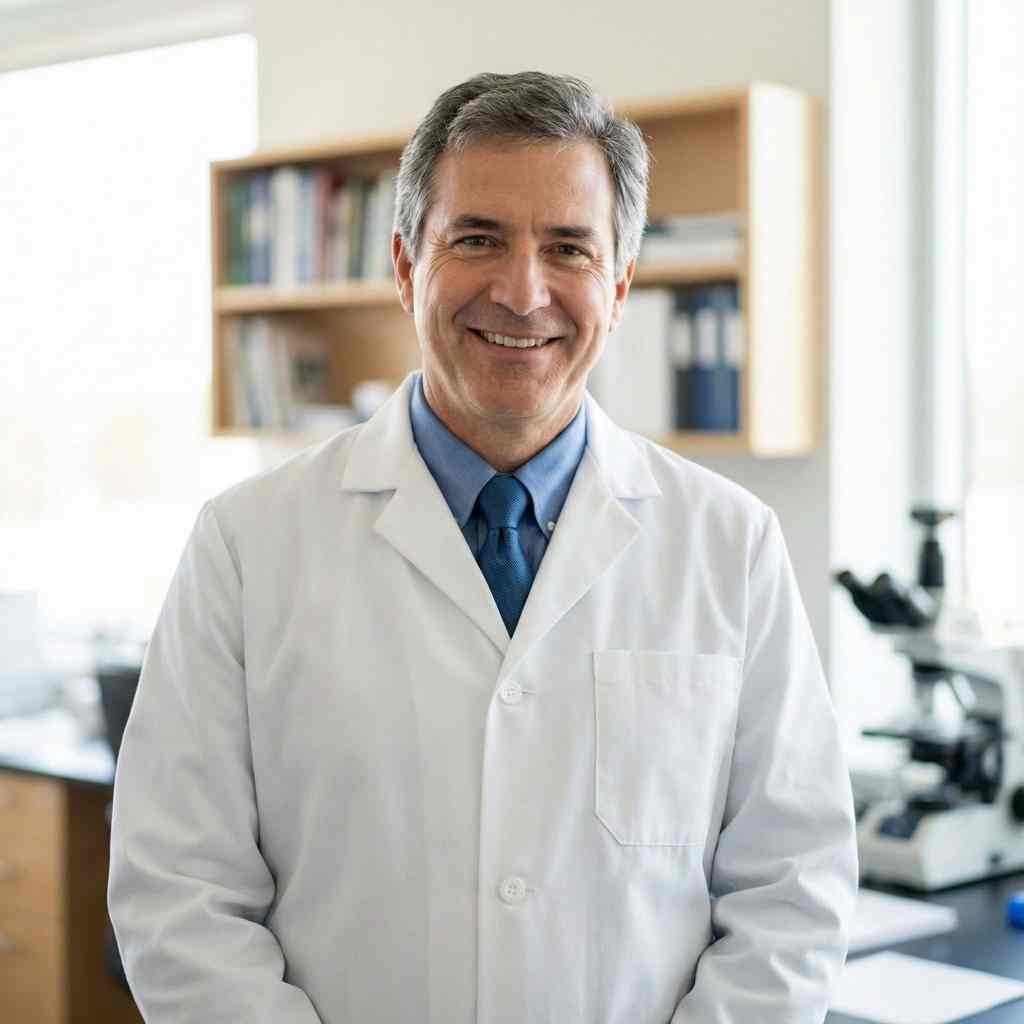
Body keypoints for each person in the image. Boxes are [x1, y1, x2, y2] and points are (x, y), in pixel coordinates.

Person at [108, 71, 857, 1023]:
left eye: (569, 248)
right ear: (405, 266)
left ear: (619, 285)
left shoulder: (729, 544)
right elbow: (178, 894)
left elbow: (793, 890)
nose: (522, 290)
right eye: (477, 239)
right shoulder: (247, 545)